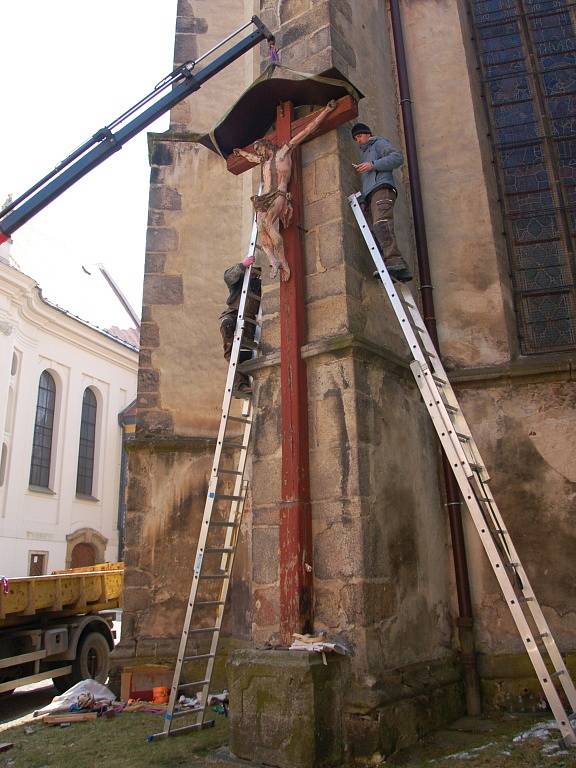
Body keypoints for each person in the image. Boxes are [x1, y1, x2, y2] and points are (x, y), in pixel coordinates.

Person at [233, 99, 338, 283]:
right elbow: (250, 157)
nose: (260, 153)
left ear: (268, 146)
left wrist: (326, 111)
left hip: (279, 194)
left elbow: (307, 130)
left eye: (261, 149)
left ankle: (281, 261)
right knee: (262, 231)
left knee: (266, 223)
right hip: (264, 197)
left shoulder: (284, 152)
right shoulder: (263, 162)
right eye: (258, 151)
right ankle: (276, 261)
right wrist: (241, 153)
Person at [351, 122, 412, 282]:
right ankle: (394, 268)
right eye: (355, 138)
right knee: (374, 230)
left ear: (368, 134)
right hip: (372, 195)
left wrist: (373, 165)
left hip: (382, 189)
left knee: (382, 225)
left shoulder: (378, 143)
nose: (358, 140)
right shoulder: (365, 155)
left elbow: (397, 158)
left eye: (359, 136)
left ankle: (394, 261)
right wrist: (364, 199)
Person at [219, 253, 262, 396]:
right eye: (253, 272)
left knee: (243, 354)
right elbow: (228, 276)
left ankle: (243, 384)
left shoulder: (260, 284)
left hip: (250, 322)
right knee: (227, 327)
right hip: (233, 314)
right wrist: (242, 266)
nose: (254, 275)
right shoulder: (239, 280)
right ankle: (240, 385)